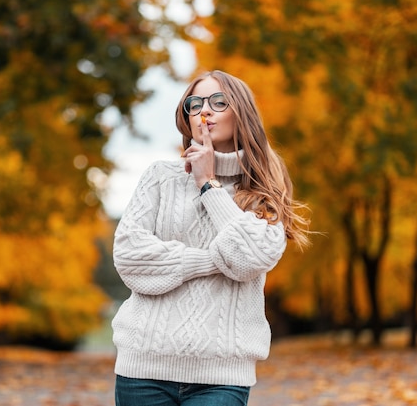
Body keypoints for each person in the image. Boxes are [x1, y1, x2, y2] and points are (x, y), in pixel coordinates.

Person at [111, 70, 310, 406]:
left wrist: (209, 184)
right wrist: (213, 261)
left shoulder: (264, 189)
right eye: (195, 103)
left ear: (241, 113)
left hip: (221, 378)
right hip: (144, 368)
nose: (205, 110)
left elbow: (249, 260)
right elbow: (130, 257)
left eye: (219, 102)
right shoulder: (160, 178)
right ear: (185, 117)